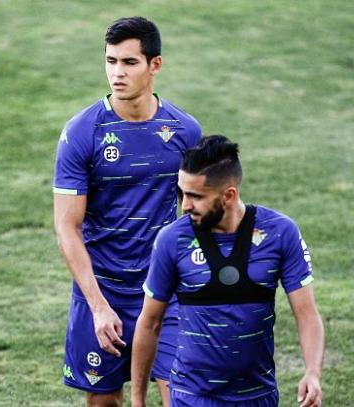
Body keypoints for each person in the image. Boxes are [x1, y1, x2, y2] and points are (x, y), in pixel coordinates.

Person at [53, 16, 203, 407]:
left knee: (182, 396)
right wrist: (98, 306)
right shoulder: (82, 133)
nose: (117, 73)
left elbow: (198, 215)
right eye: (111, 61)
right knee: (105, 402)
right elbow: (67, 227)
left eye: (129, 62)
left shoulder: (185, 132)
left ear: (155, 65)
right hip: (103, 290)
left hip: (164, 291)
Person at [131, 135, 324, 407]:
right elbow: (149, 322)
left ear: (229, 195)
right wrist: (137, 399)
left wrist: (313, 373)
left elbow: (306, 313)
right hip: (192, 398)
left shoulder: (280, 233)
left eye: (195, 196)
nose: (184, 205)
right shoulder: (172, 240)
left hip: (258, 397)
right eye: (182, 193)